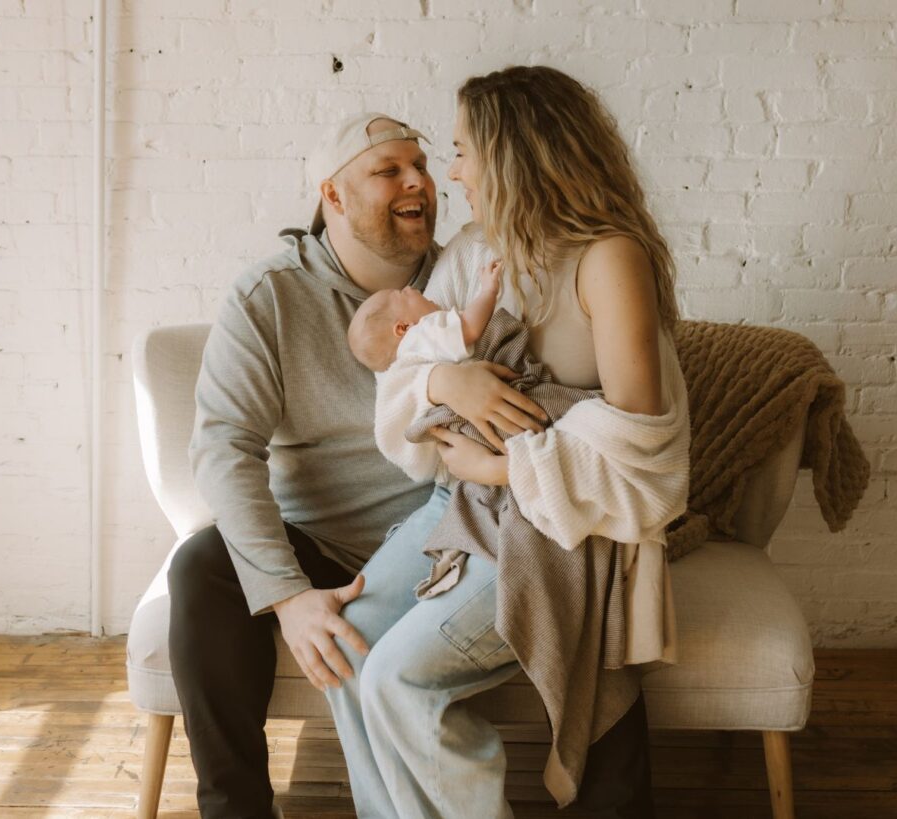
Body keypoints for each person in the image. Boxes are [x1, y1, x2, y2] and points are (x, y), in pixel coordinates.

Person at [169, 107, 656, 819]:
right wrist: (286, 595)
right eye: (388, 170)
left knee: (583, 573)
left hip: (449, 525)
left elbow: (564, 360)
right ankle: (235, 807)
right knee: (201, 567)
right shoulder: (269, 297)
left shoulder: (463, 264)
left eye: (423, 165)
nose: (419, 183)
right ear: (332, 196)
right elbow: (221, 448)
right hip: (326, 540)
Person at [324, 66, 689, 819]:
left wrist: (498, 462)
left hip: (559, 523)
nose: (450, 171)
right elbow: (411, 374)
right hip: (470, 498)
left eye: (460, 150)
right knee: (344, 644)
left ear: (511, 153)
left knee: (394, 674)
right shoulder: (481, 250)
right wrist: (442, 388)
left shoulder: (608, 257)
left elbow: (642, 447)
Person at [347, 259, 503, 373]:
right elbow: (470, 328)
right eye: (403, 294)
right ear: (403, 327)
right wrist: (488, 290)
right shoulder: (421, 335)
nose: (409, 287)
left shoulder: (407, 363)